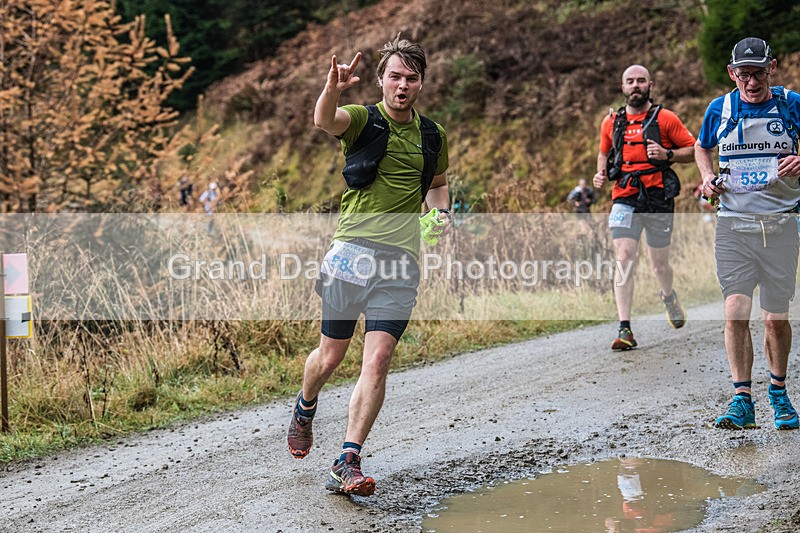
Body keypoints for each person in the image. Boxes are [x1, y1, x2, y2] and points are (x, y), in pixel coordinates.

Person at [287, 34, 450, 496]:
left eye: (411, 78)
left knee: (376, 360)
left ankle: (348, 460)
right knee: (331, 357)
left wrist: (439, 214)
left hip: (401, 265)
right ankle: (306, 403)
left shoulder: (433, 135)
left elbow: (437, 186)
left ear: (421, 84)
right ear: (381, 80)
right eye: (394, 76)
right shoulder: (363, 119)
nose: (402, 85)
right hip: (351, 256)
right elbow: (324, 120)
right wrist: (332, 90)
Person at [696, 37, 800, 431]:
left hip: (780, 223)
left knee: (774, 319)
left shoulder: (791, 104)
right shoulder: (720, 109)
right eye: (744, 74)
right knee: (735, 309)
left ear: (771, 68)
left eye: (758, 73)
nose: (751, 82)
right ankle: (742, 399)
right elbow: (701, 147)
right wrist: (707, 177)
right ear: (732, 73)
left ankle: (778, 391)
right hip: (733, 224)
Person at [593, 64, 696, 350]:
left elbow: (695, 148)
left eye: (640, 81)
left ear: (650, 85)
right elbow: (604, 151)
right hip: (624, 195)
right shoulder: (611, 122)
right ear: (622, 87)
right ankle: (625, 327)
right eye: (630, 81)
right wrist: (601, 172)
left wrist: (668, 153)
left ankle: (668, 295)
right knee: (624, 256)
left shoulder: (665, 118)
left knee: (658, 263)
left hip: (658, 196)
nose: (635, 85)